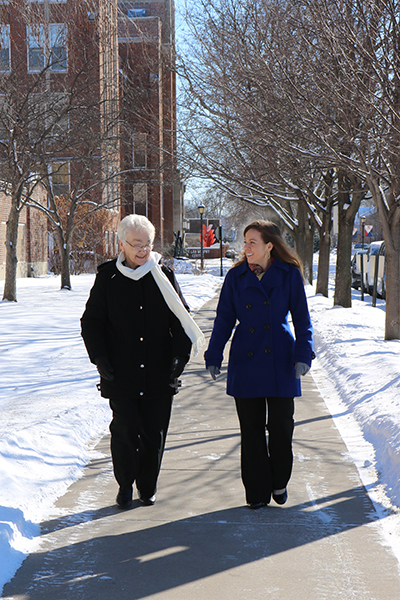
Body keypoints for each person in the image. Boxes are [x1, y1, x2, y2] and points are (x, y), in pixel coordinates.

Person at [81, 214, 205, 509]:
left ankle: (147, 486)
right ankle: (125, 485)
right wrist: (99, 358)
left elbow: (182, 321)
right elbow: (92, 322)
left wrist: (180, 356)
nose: (142, 250)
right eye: (136, 244)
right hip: (120, 373)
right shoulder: (108, 277)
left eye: (147, 243)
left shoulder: (164, 276)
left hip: (159, 372)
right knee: (124, 430)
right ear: (122, 244)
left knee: (153, 432)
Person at [205, 220, 314, 509]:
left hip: (281, 357)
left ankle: (279, 481)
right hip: (246, 357)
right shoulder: (235, 277)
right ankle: (255, 492)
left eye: (252, 242)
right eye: (245, 242)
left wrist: (303, 354)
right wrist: (214, 353)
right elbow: (224, 319)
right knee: (251, 431)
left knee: (281, 428)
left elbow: (303, 320)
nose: (246, 247)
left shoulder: (289, 274)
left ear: (269, 245)